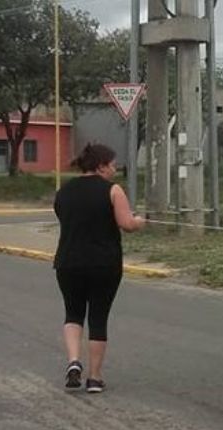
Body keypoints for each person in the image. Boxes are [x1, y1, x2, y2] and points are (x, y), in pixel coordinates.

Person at [53, 143, 145, 393]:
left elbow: (64, 220)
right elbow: (126, 224)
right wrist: (139, 221)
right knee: (97, 318)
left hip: (68, 262)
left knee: (73, 314)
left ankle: (73, 362)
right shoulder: (113, 191)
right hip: (104, 264)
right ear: (101, 166)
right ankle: (94, 377)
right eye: (113, 164)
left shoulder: (63, 192)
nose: (115, 169)